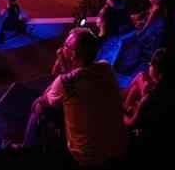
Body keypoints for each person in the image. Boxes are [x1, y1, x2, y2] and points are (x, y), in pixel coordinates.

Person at [23, 28, 127, 167]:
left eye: (65, 45)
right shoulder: (106, 67)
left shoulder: (65, 82)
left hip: (87, 158)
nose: (61, 48)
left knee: (39, 107)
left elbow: (47, 96)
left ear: (73, 55)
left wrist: (61, 65)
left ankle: (26, 149)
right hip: (118, 149)